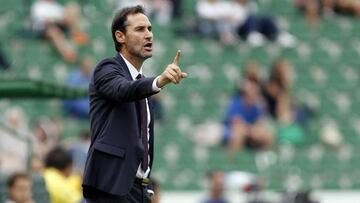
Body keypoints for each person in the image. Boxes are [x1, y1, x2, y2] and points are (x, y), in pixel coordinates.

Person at [82, 5, 187, 203]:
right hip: (111, 186)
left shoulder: (142, 82)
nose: (149, 35)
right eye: (140, 29)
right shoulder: (107, 68)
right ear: (120, 36)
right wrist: (159, 81)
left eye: (150, 29)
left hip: (139, 189)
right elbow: (123, 90)